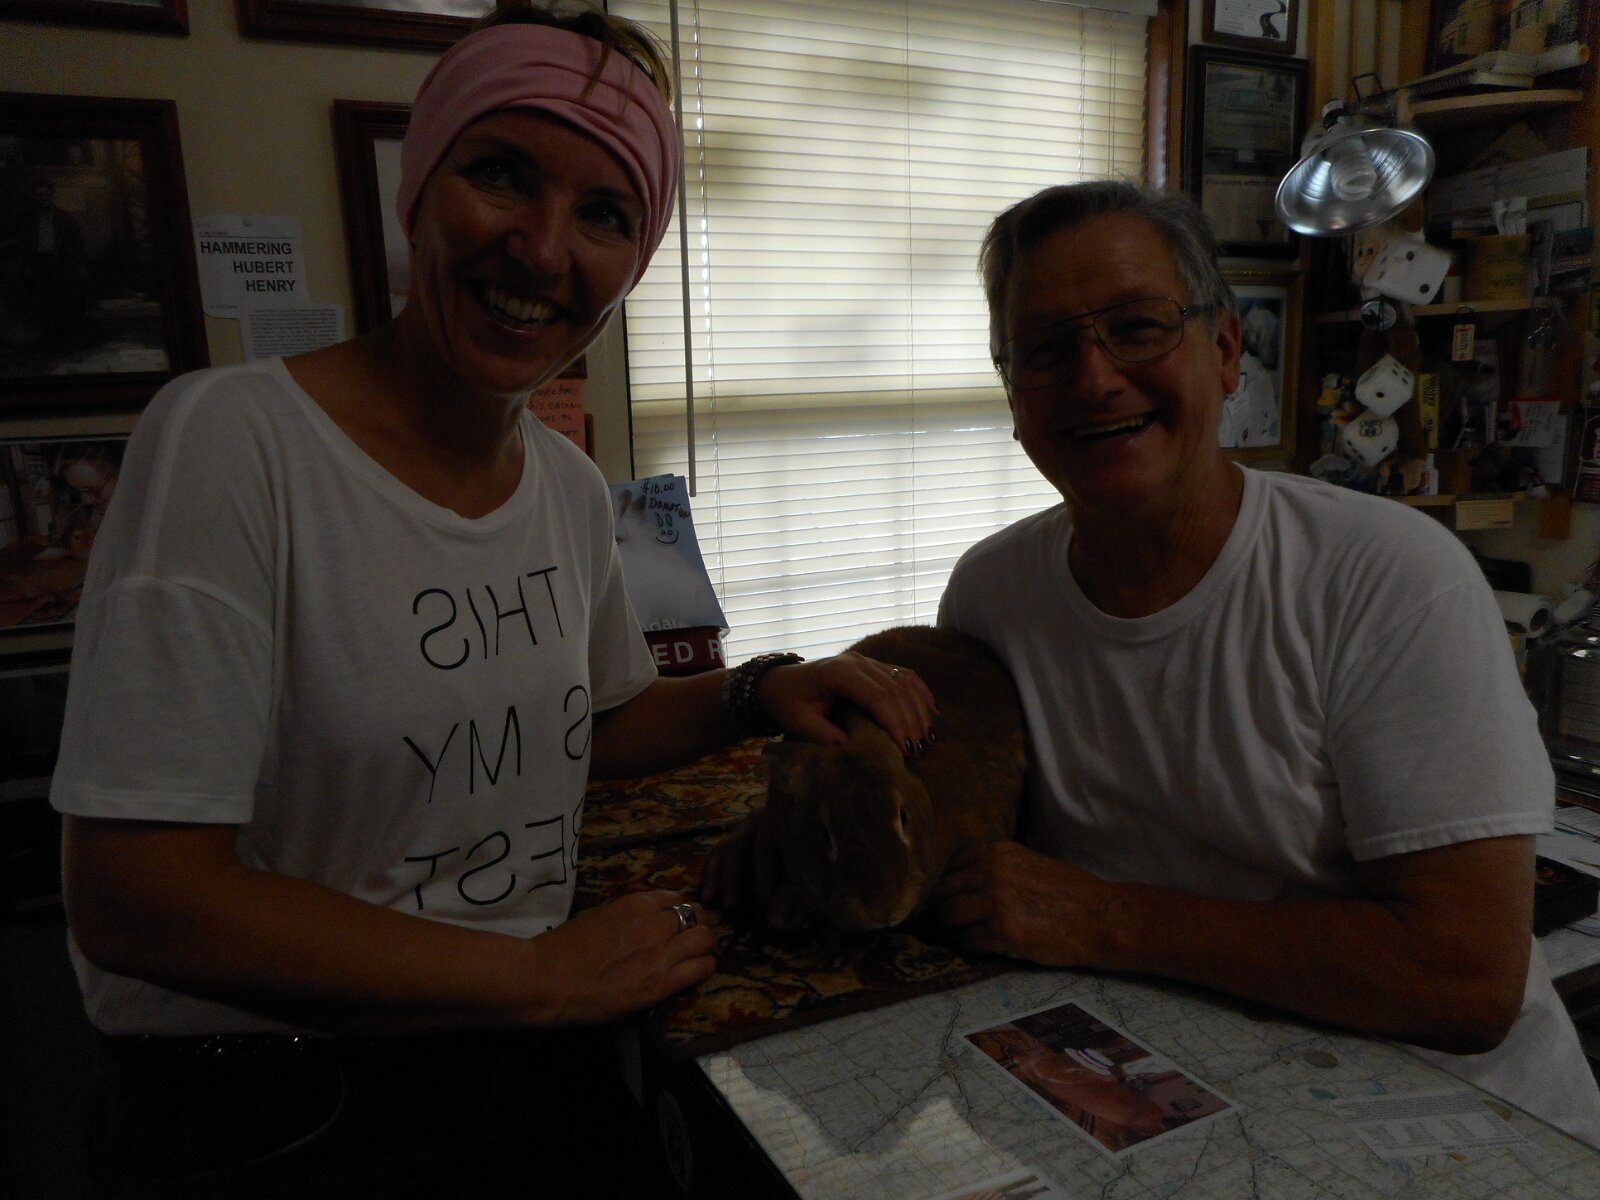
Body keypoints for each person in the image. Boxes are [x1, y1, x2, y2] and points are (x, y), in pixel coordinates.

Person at [49, 6, 933, 1196]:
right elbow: (135, 898)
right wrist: (539, 977)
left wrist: (759, 688)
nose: (541, 249)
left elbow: (590, 723)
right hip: (276, 1092)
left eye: (605, 214)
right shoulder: (233, 443)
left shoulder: (562, 484)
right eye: (502, 175)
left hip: (516, 1046)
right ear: (418, 190)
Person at [933, 179, 1600, 1147]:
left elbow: (1464, 979)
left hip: (1473, 1130)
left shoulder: (1389, 576)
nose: (1094, 378)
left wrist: (1104, 920)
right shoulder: (989, 595)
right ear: (1011, 393)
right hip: (1204, 1101)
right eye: (1043, 349)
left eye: (1137, 327)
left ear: (1225, 349)